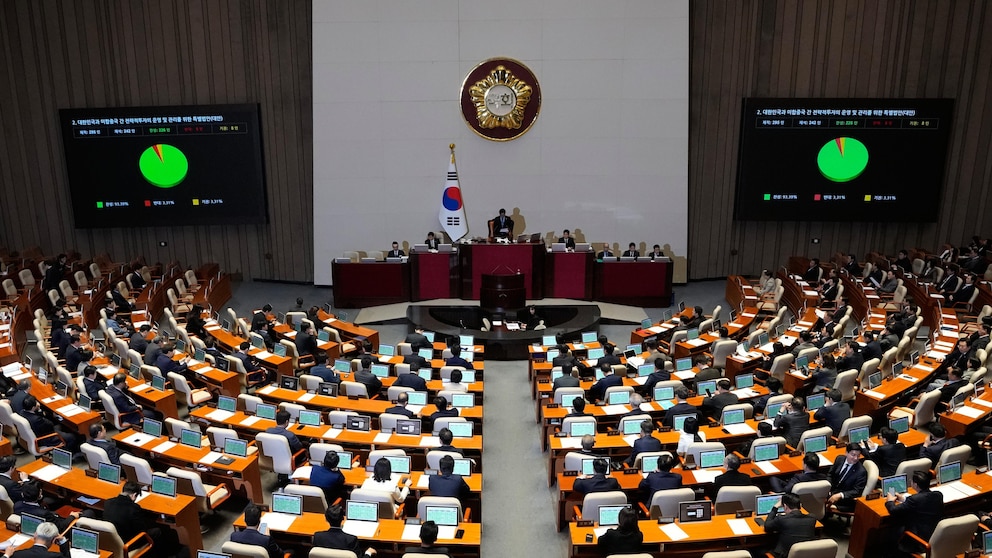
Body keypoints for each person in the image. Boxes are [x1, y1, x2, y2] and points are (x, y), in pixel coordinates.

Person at [104, 482, 182, 558]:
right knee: (157, 531)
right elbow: (142, 531)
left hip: (112, 541)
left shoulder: (108, 503)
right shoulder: (133, 508)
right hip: (128, 544)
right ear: (134, 495)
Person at [763, 492, 817, 558]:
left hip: (785, 555)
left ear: (785, 506)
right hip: (806, 554)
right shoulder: (812, 518)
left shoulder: (782, 519)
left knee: (759, 551)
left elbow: (767, 526)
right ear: (800, 505)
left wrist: (775, 507)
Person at [14, 484, 78, 533]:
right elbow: (60, 527)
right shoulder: (44, 514)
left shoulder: (17, 506)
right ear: (39, 495)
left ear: (22, 495)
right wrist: (72, 516)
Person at [827, 443, 868, 512]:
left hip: (845, 499)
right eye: (853, 455)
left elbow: (857, 491)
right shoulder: (839, 459)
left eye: (858, 456)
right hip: (832, 491)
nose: (856, 458)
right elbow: (830, 474)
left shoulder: (861, 472)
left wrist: (840, 495)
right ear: (846, 453)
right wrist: (828, 487)